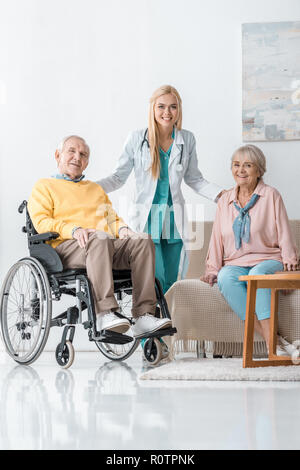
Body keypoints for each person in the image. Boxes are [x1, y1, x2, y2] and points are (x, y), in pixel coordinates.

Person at [27, 135, 172, 337]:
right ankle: (105, 312)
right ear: (58, 155)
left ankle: (144, 316)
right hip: (65, 248)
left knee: (142, 240)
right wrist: (75, 230)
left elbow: (111, 218)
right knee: (100, 239)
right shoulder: (44, 186)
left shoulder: (95, 189)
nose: (77, 157)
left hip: (101, 244)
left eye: (83, 154)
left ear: (87, 162)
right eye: (72, 151)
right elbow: (41, 222)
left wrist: (123, 230)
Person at [97, 85, 225, 294]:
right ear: (153, 109)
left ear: (179, 110)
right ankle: (151, 320)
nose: (167, 112)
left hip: (173, 219)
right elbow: (118, 177)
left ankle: (167, 324)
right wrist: (90, 187)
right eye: (161, 106)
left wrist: (221, 195)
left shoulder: (187, 139)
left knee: (171, 282)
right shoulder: (137, 138)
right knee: (155, 277)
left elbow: (194, 179)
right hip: (147, 220)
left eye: (173, 107)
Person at [201, 144, 299, 355]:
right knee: (226, 277)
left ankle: (275, 345)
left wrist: (291, 260)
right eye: (236, 165)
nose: (241, 170)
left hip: (269, 259)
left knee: (257, 275)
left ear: (259, 170)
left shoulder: (271, 195)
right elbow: (216, 237)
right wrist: (212, 268)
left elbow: (284, 229)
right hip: (236, 263)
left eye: (247, 165)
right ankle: (275, 342)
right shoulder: (225, 200)